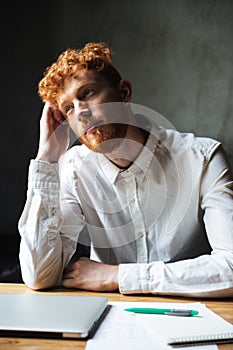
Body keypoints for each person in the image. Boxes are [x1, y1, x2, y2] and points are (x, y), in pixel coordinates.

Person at [18, 42, 233, 297]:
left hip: (191, 315)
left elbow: (230, 268)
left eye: (88, 93)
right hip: (108, 319)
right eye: (68, 108)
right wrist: (47, 160)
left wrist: (116, 276)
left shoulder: (203, 159)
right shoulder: (74, 168)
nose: (81, 113)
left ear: (124, 93)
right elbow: (39, 276)